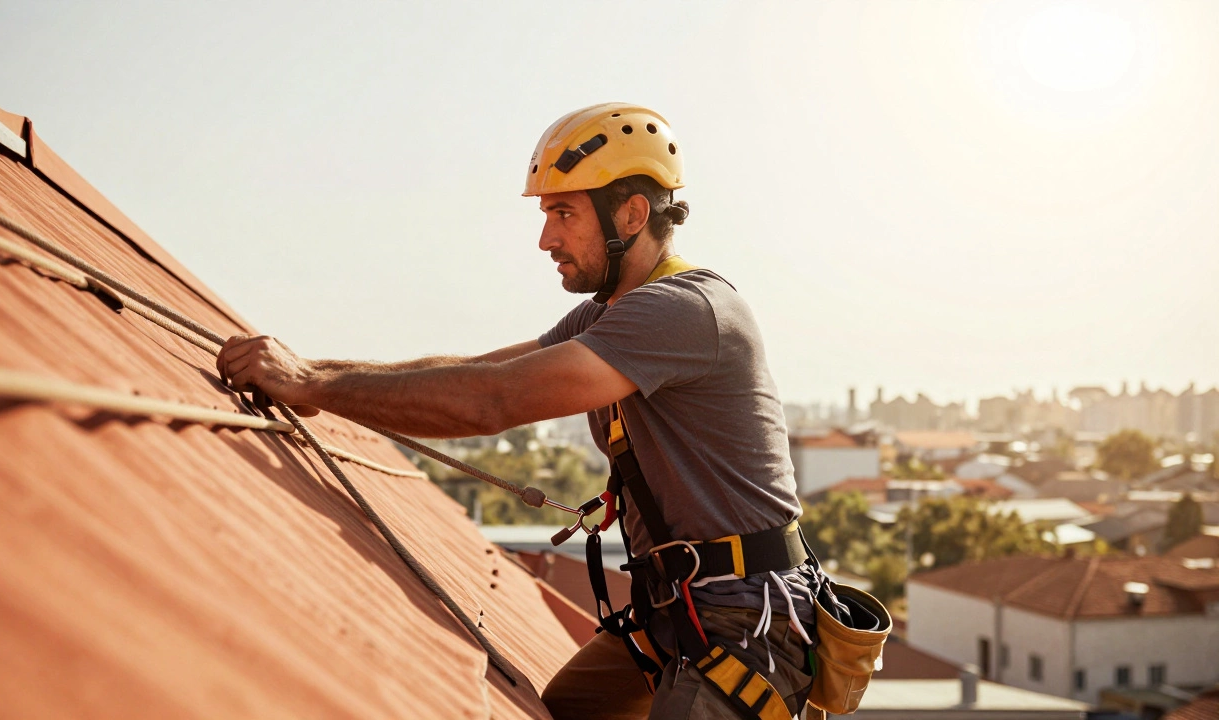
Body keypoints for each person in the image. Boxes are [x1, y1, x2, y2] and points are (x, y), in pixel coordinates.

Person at [216, 103, 830, 719]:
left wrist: (312, 386)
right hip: (679, 603)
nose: (546, 238)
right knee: (569, 709)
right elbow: (480, 370)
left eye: (563, 213)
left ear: (632, 214)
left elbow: (493, 401)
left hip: (747, 618)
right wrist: (317, 375)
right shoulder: (610, 313)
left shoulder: (683, 310)